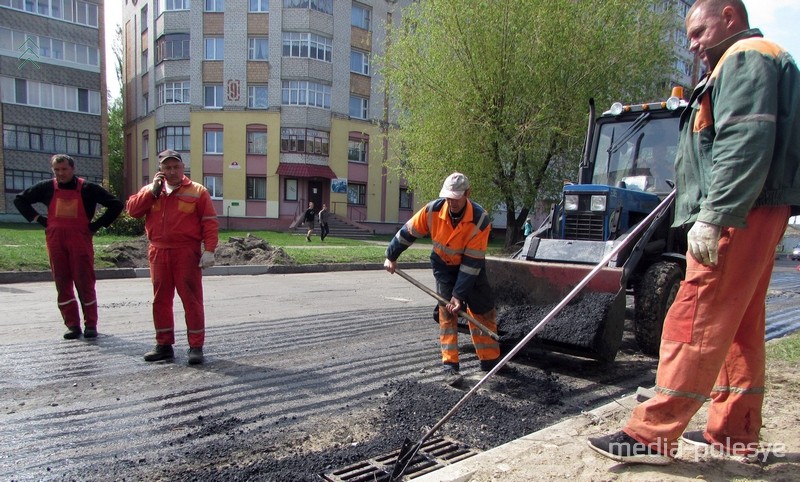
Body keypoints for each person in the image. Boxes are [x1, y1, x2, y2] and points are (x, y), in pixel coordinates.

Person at [588, 0, 800, 465]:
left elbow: (744, 139)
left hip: (735, 212)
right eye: (687, 36)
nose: (693, 43)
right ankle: (733, 431)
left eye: (699, 31)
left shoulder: (745, 58)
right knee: (742, 325)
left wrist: (714, 213)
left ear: (729, 16)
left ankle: (652, 434)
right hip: (758, 208)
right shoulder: (756, 58)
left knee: (693, 314)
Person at [384, 172, 502, 386]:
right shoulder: (432, 210)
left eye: (456, 197)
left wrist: (459, 295)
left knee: (483, 311)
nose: (452, 202)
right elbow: (407, 232)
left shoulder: (480, 219)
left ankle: (490, 362)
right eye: (448, 197)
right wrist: (391, 256)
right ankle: (450, 367)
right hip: (443, 266)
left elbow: (472, 263)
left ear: (468, 193)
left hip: (471, 269)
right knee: (447, 313)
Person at [14, 154, 123, 339]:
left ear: (72, 169)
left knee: (85, 282)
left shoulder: (88, 188)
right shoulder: (46, 187)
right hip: (56, 241)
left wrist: (96, 225)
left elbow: (116, 205)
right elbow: (20, 200)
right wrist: (38, 219)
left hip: (80, 240)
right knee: (62, 282)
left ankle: (91, 325)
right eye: (56, 170)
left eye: (64, 169)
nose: (60, 173)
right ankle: (72, 325)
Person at [126, 150, 219, 365]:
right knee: (161, 299)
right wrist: (152, 193)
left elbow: (210, 222)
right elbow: (132, 210)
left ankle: (196, 346)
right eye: (167, 167)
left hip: (186, 251)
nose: (172, 171)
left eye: (175, 167)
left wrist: (209, 250)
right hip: (158, 251)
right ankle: (164, 345)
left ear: (182, 167)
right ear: (161, 170)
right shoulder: (151, 191)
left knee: (192, 300)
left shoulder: (198, 191)